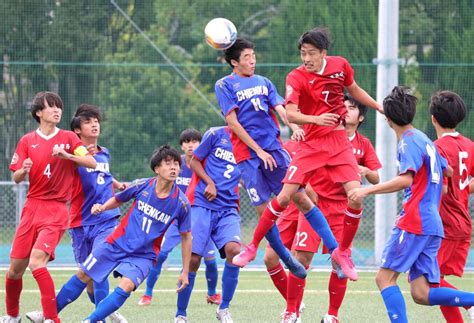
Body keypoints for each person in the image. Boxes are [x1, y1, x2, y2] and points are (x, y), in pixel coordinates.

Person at [233, 27, 383, 283]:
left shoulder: (340, 66)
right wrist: (316, 119)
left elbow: (354, 89)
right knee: (284, 197)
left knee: (356, 196)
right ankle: (252, 247)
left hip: (337, 143)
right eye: (303, 53)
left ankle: (343, 252)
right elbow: (290, 113)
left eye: (311, 53)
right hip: (311, 145)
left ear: (323, 53)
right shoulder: (296, 77)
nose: (306, 59)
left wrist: (378, 106)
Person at [348, 86, 474, 323]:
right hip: (433, 224)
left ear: (387, 119)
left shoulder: (407, 143)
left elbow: (407, 178)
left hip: (415, 221)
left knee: (384, 278)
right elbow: (447, 170)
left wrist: (367, 190)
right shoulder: (426, 140)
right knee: (421, 293)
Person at [51, 145, 192, 322]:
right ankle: (49, 314)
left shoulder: (182, 203)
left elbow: (186, 236)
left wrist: (185, 271)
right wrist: (102, 207)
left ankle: (90, 321)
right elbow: (119, 199)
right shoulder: (142, 185)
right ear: (157, 168)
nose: (173, 167)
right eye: (168, 163)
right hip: (118, 242)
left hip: (145, 255)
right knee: (83, 274)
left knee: (126, 286)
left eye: (176, 164)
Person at [281, 94, 382, 322]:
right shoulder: (322, 135)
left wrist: (366, 172)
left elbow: (376, 178)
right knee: (301, 258)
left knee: (340, 262)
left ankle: (332, 315)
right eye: (343, 106)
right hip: (314, 206)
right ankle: (291, 312)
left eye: (352, 107)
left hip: (342, 210)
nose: (346, 111)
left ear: (361, 117)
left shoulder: (363, 144)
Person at [25, 104, 127, 323]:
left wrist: (118, 185)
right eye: (88, 122)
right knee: (88, 277)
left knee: (98, 267)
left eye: (96, 121)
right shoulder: (69, 154)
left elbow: (104, 175)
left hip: (106, 220)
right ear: (77, 131)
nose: (95, 125)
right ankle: (107, 310)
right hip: (80, 223)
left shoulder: (104, 153)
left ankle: (56, 314)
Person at [1, 92, 96, 323]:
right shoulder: (26, 141)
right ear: (39, 113)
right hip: (31, 207)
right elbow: (15, 177)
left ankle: (53, 319)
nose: (57, 110)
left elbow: (91, 162)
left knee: (36, 262)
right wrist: (23, 169)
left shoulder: (69, 139)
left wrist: (67, 155)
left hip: (55, 210)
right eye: (51, 106)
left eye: (59, 107)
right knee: (14, 270)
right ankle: (13, 316)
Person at [215, 37, 306, 278]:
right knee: (263, 210)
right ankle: (286, 258)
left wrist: (294, 125)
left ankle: (337, 249)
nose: (253, 60)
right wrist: (257, 150)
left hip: (274, 151)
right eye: (247, 57)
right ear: (234, 62)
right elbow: (233, 122)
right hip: (249, 156)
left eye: (253, 56)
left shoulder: (264, 82)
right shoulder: (224, 85)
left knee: (300, 196)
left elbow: (280, 109)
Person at [138, 129, 222, 306]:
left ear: (201, 144)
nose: (191, 145)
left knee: (210, 261)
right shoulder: (176, 166)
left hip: (200, 221)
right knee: (159, 256)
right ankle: (147, 294)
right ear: (181, 145)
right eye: (186, 142)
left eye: (195, 141)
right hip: (175, 221)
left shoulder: (206, 165)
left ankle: (213, 294)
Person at [174, 126, 241, 323]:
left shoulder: (252, 143)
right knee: (193, 259)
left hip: (228, 206)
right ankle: (180, 314)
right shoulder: (216, 134)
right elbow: (192, 160)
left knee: (234, 251)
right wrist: (210, 182)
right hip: (201, 203)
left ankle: (224, 308)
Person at [429, 91, 474, 322]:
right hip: (463, 224)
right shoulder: (469, 145)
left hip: (444, 225)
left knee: (426, 280)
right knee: (434, 282)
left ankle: (470, 300)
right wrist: (463, 186)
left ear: (433, 118)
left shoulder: (436, 148)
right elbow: (465, 183)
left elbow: (442, 190)